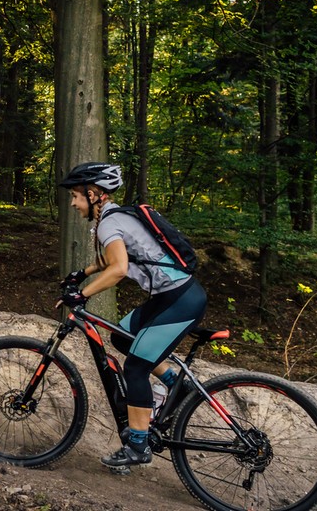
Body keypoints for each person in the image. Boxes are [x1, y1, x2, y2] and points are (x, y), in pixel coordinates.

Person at [56, 162, 207, 468]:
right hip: (173, 295)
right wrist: (79, 274)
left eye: (75, 195)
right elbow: (115, 258)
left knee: (136, 368)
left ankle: (138, 445)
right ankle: (177, 386)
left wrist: (82, 294)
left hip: (179, 300)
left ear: (94, 193)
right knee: (122, 338)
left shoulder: (110, 224)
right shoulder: (113, 218)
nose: (73, 202)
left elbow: (119, 269)